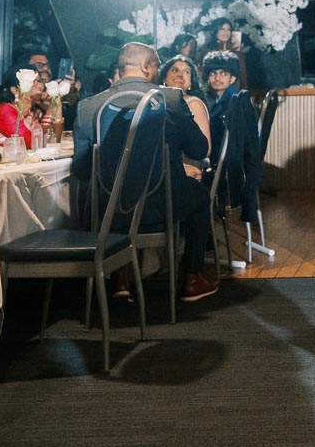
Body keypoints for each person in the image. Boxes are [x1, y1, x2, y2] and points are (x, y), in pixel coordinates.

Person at [73, 42, 216, 301]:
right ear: (146, 67)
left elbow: (82, 170)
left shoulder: (87, 107)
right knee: (200, 195)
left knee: (106, 195)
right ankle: (193, 278)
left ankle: (119, 277)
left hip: (109, 210)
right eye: (157, 66)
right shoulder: (171, 99)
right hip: (163, 202)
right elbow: (199, 148)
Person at [201, 50, 261, 231]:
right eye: (213, 73)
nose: (217, 78)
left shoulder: (232, 103)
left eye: (223, 73)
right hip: (232, 163)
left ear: (233, 78)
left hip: (226, 166)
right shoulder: (227, 100)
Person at [0, 63, 47, 150]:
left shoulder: (34, 111)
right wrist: (51, 109)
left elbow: (53, 140)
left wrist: (57, 106)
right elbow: (30, 144)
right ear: (15, 90)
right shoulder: (4, 110)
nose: (40, 86)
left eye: (39, 81)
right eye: (32, 82)